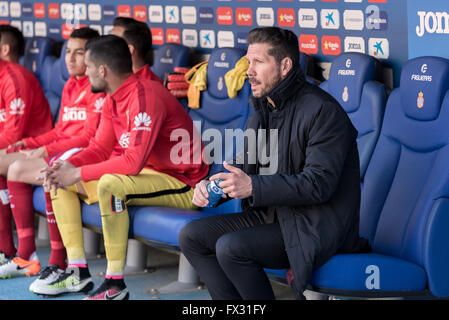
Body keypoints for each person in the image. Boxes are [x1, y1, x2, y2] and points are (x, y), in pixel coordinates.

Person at [178, 27, 370, 300]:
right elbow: (245, 167)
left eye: (258, 62)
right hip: (274, 216)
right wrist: (213, 185)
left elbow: (319, 185)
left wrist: (253, 186)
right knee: (192, 236)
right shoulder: (262, 106)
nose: (248, 70)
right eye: (248, 61)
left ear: (285, 66)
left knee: (232, 248)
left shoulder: (323, 111)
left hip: (316, 225)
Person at [42, 35, 209, 299]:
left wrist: (77, 172)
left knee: (110, 183)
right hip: (150, 174)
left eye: (88, 65)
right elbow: (99, 148)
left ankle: (114, 285)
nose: (85, 72)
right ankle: (77, 271)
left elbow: (133, 161)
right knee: (60, 181)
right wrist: (67, 166)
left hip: (182, 183)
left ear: (102, 70)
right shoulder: (113, 98)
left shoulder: (146, 95)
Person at [0, 27, 104, 288]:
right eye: (68, 52)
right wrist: (32, 144)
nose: (70, 59)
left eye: (79, 53)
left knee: (25, 171)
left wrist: (44, 150)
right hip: (59, 149)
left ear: (92, 56)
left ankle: (47, 258)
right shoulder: (71, 84)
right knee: (14, 167)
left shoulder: (98, 87)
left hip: (80, 156)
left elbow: (89, 137)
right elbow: (60, 130)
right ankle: (22, 253)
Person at [0, 25, 53, 269]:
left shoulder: (14, 77)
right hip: (13, 149)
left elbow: (13, 134)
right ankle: (6, 249)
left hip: (33, 147)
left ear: (4, 49)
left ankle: (7, 251)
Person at [110, 17, 161, 83]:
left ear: (129, 50)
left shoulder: (150, 86)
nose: (107, 47)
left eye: (112, 43)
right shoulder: (109, 78)